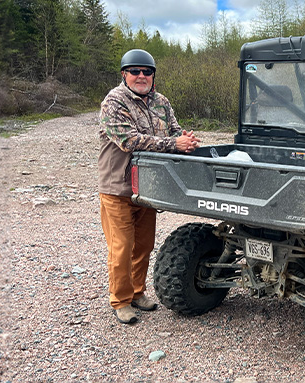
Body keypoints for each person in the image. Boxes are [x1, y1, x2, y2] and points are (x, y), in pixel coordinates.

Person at [97, 49, 200, 324]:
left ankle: (137, 292)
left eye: (147, 71)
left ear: (153, 75)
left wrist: (185, 139)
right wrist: (173, 144)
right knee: (121, 247)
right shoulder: (114, 101)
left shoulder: (161, 101)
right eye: (135, 71)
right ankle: (120, 301)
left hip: (149, 187)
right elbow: (129, 141)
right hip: (117, 187)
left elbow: (173, 130)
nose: (141, 76)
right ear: (124, 74)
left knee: (143, 245)